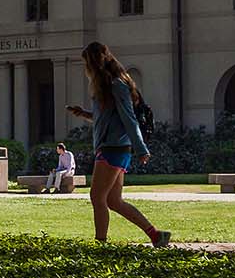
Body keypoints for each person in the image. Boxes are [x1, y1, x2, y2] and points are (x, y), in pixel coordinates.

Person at [66, 42, 169, 246]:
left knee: (97, 198)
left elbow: (129, 119)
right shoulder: (106, 87)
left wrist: (141, 149)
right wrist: (85, 114)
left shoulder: (116, 85)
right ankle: (156, 235)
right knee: (114, 201)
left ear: (94, 63)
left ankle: (100, 243)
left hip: (114, 149)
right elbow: (107, 119)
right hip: (111, 147)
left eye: (86, 63)